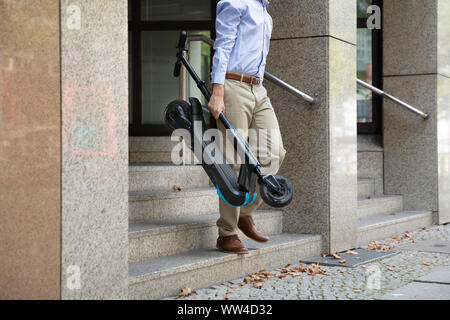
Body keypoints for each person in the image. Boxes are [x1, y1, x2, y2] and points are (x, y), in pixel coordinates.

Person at [209, 0, 286, 254]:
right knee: (233, 161)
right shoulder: (235, 3)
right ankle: (227, 233)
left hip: (258, 89)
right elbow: (223, 45)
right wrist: (218, 90)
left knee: (273, 151)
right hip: (232, 86)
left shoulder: (267, 15)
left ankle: (245, 212)